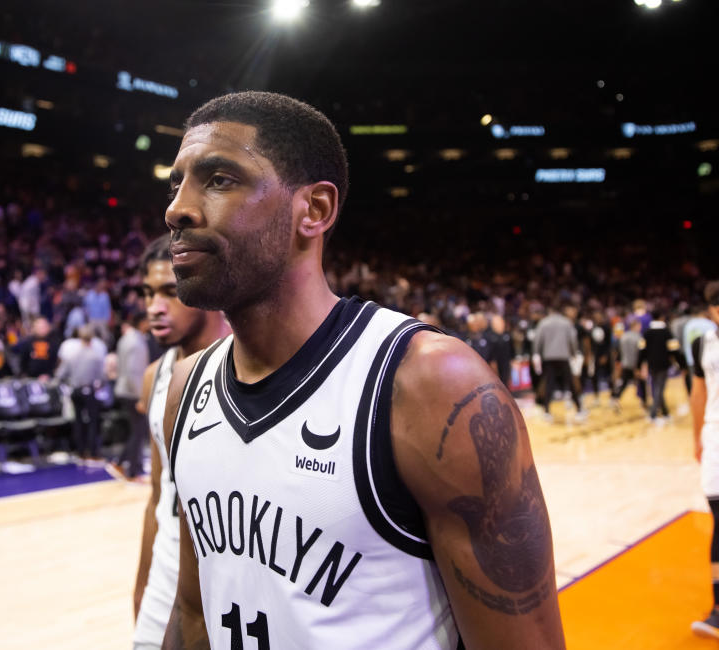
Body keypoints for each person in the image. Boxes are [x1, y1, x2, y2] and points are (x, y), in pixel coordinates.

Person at [160, 92, 563, 649]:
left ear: (315, 210)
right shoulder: (186, 389)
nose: (176, 209)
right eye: (174, 183)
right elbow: (193, 614)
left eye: (220, 179)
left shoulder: (429, 384)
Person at [132, 235, 230, 650]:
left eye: (169, 292)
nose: (154, 307)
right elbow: (158, 495)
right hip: (167, 574)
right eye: (147, 293)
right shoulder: (155, 376)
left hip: (228, 582)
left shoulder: (240, 366)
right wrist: (142, 591)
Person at [690, 281, 719, 638]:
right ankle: (717, 608)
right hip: (714, 436)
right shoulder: (702, 344)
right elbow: (698, 392)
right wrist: (695, 437)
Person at [55, 326, 106, 460]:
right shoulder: (95, 356)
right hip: (89, 390)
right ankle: (93, 451)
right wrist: (98, 385)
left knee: (78, 421)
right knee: (93, 421)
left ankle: (80, 451)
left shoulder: (72, 356)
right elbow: (102, 377)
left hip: (75, 390)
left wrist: (70, 382)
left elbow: (59, 375)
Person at [112, 313, 151, 479]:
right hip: (132, 391)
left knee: (137, 430)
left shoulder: (127, 338)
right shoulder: (136, 343)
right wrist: (141, 397)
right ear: (142, 323)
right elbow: (133, 373)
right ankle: (132, 471)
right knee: (139, 431)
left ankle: (121, 463)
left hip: (124, 388)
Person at [533, 302, 586, 423]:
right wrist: (573, 353)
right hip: (563, 356)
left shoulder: (544, 322)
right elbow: (572, 339)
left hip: (548, 357)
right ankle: (579, 409)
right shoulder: (566, 322)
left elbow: (538, 340)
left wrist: (537, 353)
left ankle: (546, 411)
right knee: (571, 383)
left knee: (549, 384)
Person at [639, 309, 684, 422]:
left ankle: (665, 413)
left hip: (652, 364)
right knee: (659, 388)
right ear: (661, 317)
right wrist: (681, 364)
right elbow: (674, 349)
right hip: (664, 364)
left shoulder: (646, 332)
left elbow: (641, 350)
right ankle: (653, 414)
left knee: (656, 387)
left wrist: (639, 364)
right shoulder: (666, 331)